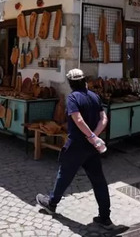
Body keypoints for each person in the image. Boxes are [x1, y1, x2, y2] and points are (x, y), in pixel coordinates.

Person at [36, 69, 117, 231]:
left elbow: (78, 119)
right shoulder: (94, 96)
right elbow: (104, 118)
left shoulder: (73, 98)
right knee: (99, 181)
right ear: (84, 80)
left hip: (76, 145)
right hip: (91, 147)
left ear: (70, 83)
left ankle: (52, 203)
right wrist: (94, 136)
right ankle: (105, 217)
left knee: (64, 175)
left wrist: (91, 136)